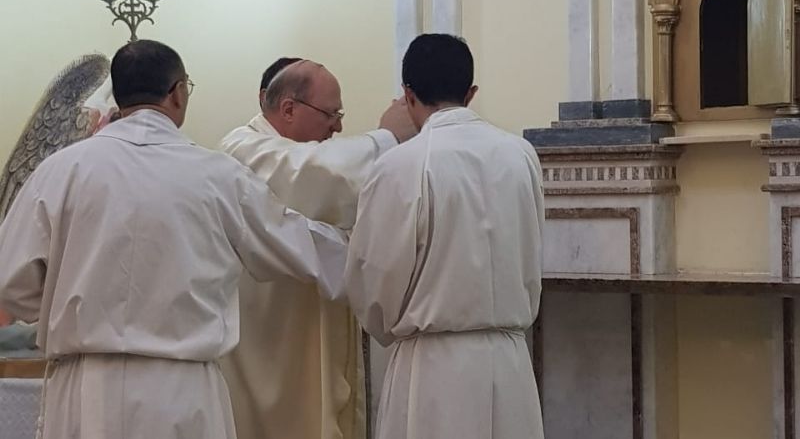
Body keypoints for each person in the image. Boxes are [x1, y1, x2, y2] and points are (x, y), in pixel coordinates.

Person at [0, 39, 349, 439]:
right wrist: (383, 245)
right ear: (178, 93)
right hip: (181, 392)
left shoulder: (60, 171)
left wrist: (70, 305)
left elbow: (11, 282)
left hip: (86, 388)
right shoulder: (216, 174)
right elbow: (295, 242)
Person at [342, 33, 546, 439]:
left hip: (430, 369)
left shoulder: (398, 164)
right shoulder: (521, 154)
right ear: (470, 92)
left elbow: (372, 279)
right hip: (509, 361)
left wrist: (391, 328)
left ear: (407, 94)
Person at [219, 58, 416, 439]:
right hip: (267, 356)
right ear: (288, 109)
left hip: (308, 338)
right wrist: (386, 138)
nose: (338, 126)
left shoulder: (303, 152)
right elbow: (315, 176)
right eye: (331, 113)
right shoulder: (240, 150)